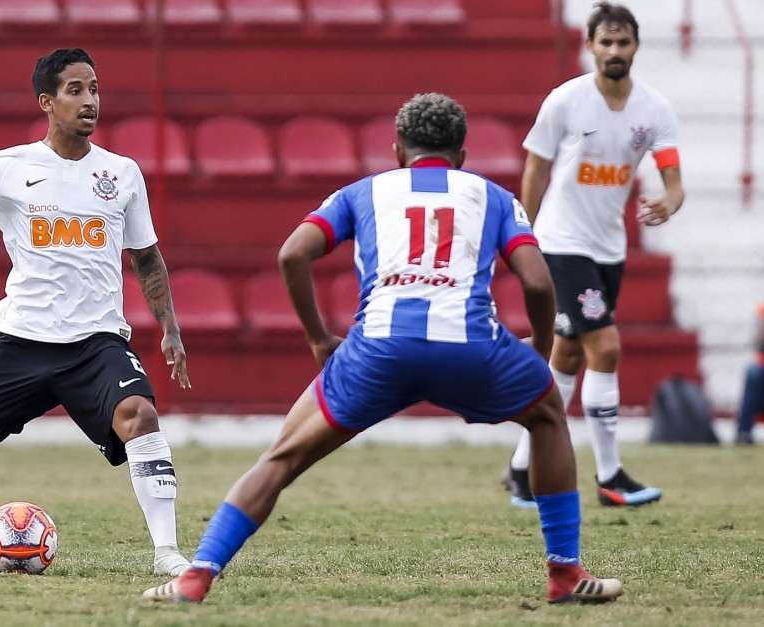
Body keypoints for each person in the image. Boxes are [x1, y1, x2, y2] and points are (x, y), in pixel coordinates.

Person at [142, 93, 623, 605]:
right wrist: (540, 350)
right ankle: (565, 575)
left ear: (397, 151)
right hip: (470, 349)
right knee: (548, 417)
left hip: (376, 351)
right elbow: (539, 284)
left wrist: (317, 338)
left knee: (282, 456)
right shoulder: (495, 197)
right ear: (462, 155)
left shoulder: (362, 192)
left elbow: (292, 254)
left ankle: (197, 577)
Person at [0, 48, 192, 576]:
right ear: (47, 102)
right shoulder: (8, 168)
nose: (90, 101)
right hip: (22, 343)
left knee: (142, 417)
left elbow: (147, 256)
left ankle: (167, 554)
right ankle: (29, 399)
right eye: (75, 90)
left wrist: (170, 330)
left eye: (94, 89)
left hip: (96, 344)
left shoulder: (122, 173)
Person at [502, 1, 684, 508]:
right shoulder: (565, 101)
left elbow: (674, 182)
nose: (614, 50)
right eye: (606, 41)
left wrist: (667, 203)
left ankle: (521, 471)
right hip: (562, 243)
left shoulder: (654, 109)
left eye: (623, 42)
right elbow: (535, 170)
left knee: (568, 355)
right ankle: (611, 478)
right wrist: (527, 238)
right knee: (605, 348)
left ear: (636, 47)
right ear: (590, 46)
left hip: (609, 248)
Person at [736, 304, 764, 445]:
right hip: (762, 370)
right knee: (752, 373)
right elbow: (758, 345)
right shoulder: (762, 311)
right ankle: (744, 432)